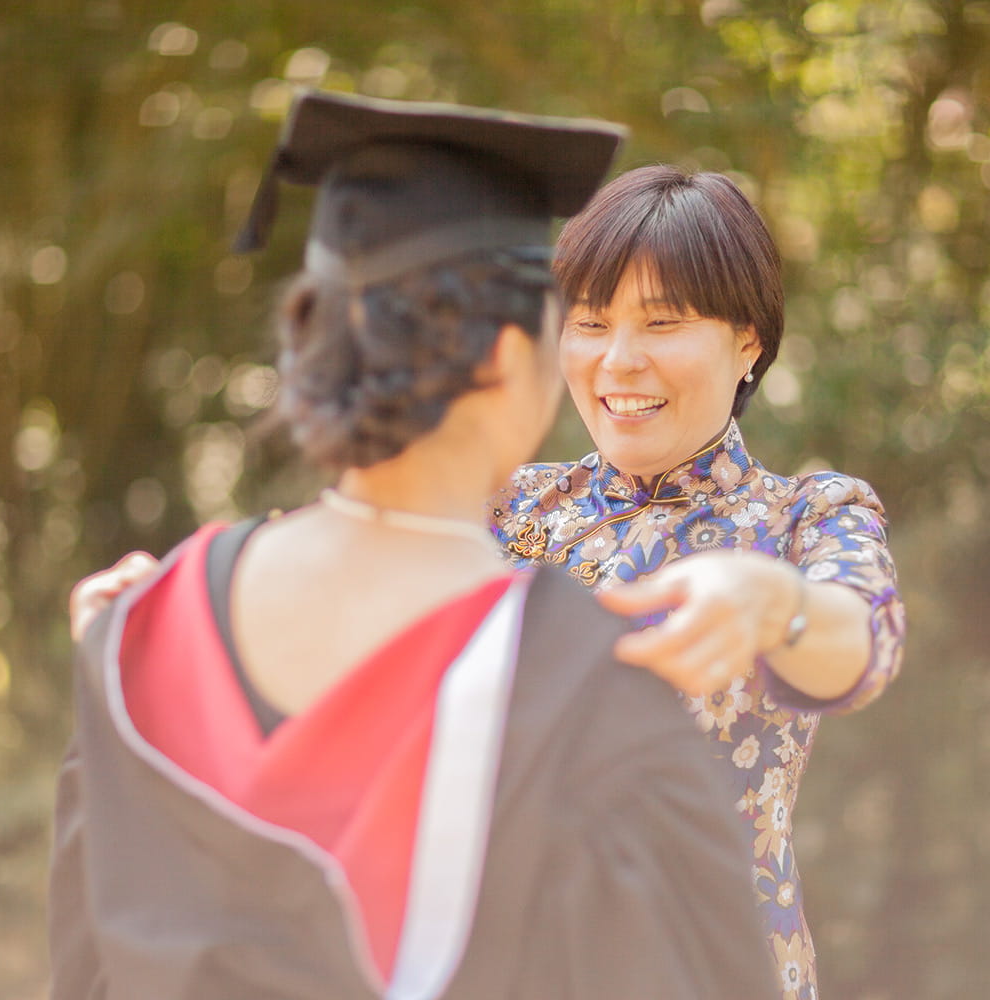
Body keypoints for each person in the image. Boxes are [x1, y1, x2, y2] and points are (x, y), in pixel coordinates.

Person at [49, 91, 779, 1000]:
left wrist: (119, 646)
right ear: (506, 359)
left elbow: (83, 972)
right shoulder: (587, 687)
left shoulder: (140, 630)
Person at [489, 165, 906, 998]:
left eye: (662, 322)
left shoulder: (806, 518)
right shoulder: (505, 503)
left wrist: (774, 604)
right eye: (590, 323)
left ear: (747, 340)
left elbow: (864, 640)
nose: (619, 360)